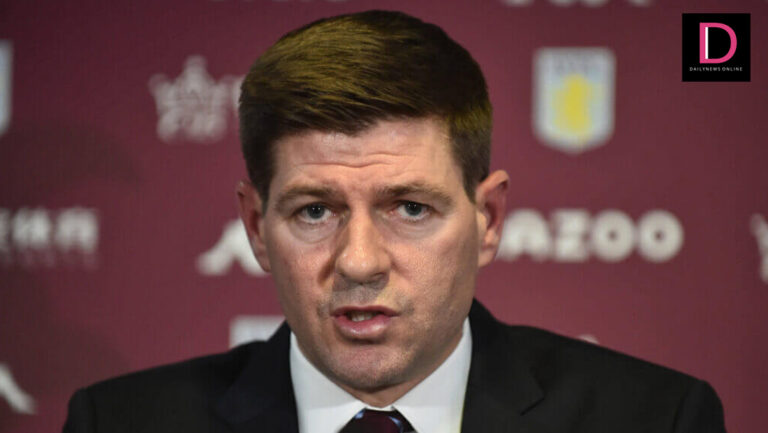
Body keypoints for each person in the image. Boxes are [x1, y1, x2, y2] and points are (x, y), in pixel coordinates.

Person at [63, 10, 727, 433]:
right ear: (257, 228)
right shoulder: (118, 423)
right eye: (315, 211)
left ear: (488, 218)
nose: (359, 261)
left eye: (410, 208)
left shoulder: (655, 418)